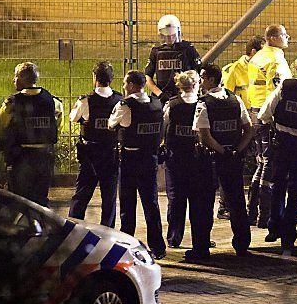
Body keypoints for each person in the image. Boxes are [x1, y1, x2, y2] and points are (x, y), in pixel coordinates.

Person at [258, 53, 297, 256]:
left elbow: (264, 114)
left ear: (296, 69)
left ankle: (274, 225)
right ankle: (288, 236)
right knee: (296, 190)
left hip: (282, 143)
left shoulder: (285, 86)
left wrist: (276, 126)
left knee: (278, 184)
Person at [194, 63, 255, 260]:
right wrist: (236, 150)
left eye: (203, 77)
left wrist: (221, 151)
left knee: (205, 203)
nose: (201, 81)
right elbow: (249, 129)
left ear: (211, 79)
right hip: (233, 159)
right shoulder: (235, 100)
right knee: (237, 201)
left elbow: (204, 136)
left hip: (211, 159)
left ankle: (202, 248)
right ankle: (242, 244)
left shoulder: (204, 103)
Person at [109, 70, 167, 258]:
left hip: (130, 159)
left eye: (126, 84)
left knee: (128, 204)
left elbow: (112, 124)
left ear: (132, 85)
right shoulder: (157, 104)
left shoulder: (126, 105)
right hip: (150, 158)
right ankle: (158, 247)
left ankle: (127, 245)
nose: (124, 87)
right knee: (151, 203)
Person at [0, 62, 64, 207]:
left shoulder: (12, 103)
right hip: (45, 157)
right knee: (41, 201)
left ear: (22, 79)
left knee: (19, 201)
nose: (13, 80)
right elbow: (57, 128)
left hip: (20, 158)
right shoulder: (53, 101)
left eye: (16, 76)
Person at [246, 24, 292, 229]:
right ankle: (264, 214)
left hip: (255, 112)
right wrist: (276, 118)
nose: (287, 37)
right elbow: (277, 92)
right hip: (269, 116)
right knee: (269, 164)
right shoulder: (275, 59)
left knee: (262, 162)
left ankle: (251, 209)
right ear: (273, 38)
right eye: (284, 34)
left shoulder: (257, 57)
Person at [68, 61, 122, 226]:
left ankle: (74, 227)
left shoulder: (86, 100)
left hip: (90, 154)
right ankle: (108, 230)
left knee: (82, 194)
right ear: (111, 79)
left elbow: (73, 118)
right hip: (111, 153)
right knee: (109, 197)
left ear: (95, 78)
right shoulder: (120, 100)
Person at [216, 34, 264, 220]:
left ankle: (247, 206)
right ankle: (224, 206)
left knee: (253, 165)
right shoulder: (234, 69)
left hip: (254, 122)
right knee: (232, 165)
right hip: (239, 126)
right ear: (253, 52)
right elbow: (224, 98)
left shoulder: (258, 69)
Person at [162, 70, 202, 248]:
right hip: (197, 157)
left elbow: (163, 127)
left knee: (176, 198)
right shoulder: (203, 104)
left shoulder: (172, 105)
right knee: (197, 199)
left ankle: (174, 238)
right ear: (195, 85)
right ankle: (200, 239)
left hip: (176, 156)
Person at [145, 14, 201, 102]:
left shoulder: (187, 49)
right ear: (161, 35)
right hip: (162, 97)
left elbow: (198, 72)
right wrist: (159, 94)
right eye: (166, 36)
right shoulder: (156, 51)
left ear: (177, 33)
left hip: (184, 97)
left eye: (172, 35)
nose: (170, 38)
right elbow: (147, 77)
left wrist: (190, 92)